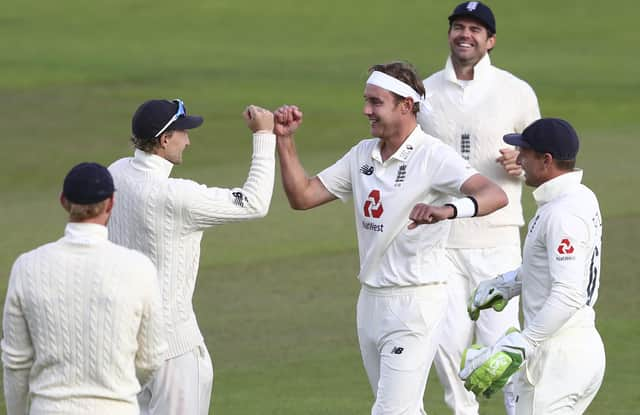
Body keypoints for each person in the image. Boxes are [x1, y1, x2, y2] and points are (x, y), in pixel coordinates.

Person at [273, 61, 508, 415]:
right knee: (403, 409)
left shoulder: (433, 155)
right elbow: (302, 197)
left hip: (415, 302)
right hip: (370, 302)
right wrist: (285, 141)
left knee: (390, 411)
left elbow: (494, 194)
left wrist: (448, 210)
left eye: (375, 102)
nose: (366, 110)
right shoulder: (361, 154)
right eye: (366, 100)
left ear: (405, 105)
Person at [106, 99, 276, 415]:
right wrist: (264, 136)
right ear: (164, 139)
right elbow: (255, 203)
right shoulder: (175, 196)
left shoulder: (115, 173)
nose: (189, 140)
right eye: (183, 132)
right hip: (175, 350)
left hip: (126, 345)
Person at [416, 2, 541, 414]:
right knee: (448, 349)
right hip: (443, 242)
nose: (464, 34)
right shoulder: (424, 94)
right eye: (457, 27)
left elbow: (542, 159)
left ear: (490, 41)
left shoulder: (516, 91)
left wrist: (519, 164)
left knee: (501, 349)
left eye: (474, 28)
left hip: (498, 241)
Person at [460, 118, 605, 414]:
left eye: (525, 152)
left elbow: (568, 293)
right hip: (578, 350)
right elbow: (553, 268)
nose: (519, 159)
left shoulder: (563, 214)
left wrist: (521, 343)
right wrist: (507, 284)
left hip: (556, 357)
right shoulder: (579, 197)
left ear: (546, 160)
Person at [2, 162, 166, 415]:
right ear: (111, 204)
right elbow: (152, 358)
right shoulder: (139, 268)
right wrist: (118, 389)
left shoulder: (27, 267)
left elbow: (15, 362)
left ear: (63, 202)